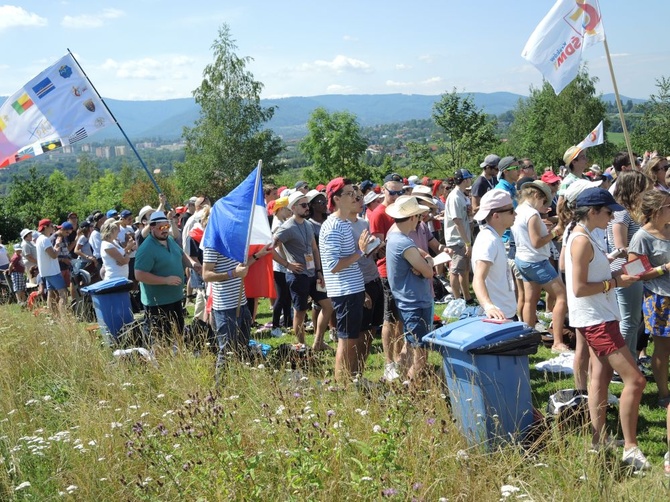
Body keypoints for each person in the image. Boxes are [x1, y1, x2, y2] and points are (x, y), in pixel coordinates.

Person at [564, 187, 649, 471]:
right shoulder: (581, 241)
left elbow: (591, 275)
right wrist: (614, 284)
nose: (612, 216)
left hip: (601, 316)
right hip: (597, 320)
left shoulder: (587, 236)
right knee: (636, 381)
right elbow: (578, 288)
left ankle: (598, 441)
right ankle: (630, 447)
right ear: (592, 212)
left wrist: (612, 266)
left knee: (599, 380)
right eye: (608, 211)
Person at [203, 235, 273, 384]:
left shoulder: (233, 241)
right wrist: (233, 274)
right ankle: (220, 389)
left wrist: (258, 255)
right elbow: (206, 275)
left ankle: (238, 383)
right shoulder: (212, 244)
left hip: (241, 304)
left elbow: (241, 266)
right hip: (224, 308)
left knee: (242, 347)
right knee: (227, 350)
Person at [511, 181, 570, 353]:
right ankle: (557, 342)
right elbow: (537, 242)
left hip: (523, 259)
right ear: (537, 196)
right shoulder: (532, 214)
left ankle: (527, 340)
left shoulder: (518, 210)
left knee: (530, 300)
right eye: (544, 201)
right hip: (537, 261)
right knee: (562, 297)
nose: (544, 205)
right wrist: (555, 232)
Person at [321, 178, 370, 381]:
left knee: (352, 338)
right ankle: (342, 385)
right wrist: (360, 251)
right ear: (337, 199)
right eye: (349, 194)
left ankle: (350, 380)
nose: (355, 197)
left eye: (355, 193)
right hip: (344, 291)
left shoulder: (342, 223)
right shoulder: (333, 226)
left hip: (352, 289)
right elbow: (333, 266)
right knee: (346, 340)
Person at [272, 192, 333, 350]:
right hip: (297, 275)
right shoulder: (286, 228)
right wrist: (287, 264)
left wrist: (319, 270)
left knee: (328, 306)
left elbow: (314, 248)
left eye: (307, 204)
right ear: (293, 208)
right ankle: (302, 345)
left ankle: (318, 342)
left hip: (312, 273)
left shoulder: (307, 224)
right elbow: (269, 248)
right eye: (304, 205)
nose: (308, 208)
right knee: (300, 311)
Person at [628, 189, 670, 414]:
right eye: (669, 207)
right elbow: (635, 273)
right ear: (655, 212)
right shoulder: (642, 237)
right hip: (660, 298)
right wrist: (664, 268)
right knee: (663, 349)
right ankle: (664, 395)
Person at [385, 196, 434, 383]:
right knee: (420, 352)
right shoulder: (405, 243)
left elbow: (421, 263)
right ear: (413, 218)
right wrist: (427, 262)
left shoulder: (396, 237)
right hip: (415, 302)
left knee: (410, 345)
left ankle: (402, 383)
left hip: (407, 301)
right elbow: (428, 272)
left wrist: (423, 262)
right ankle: (414, 389)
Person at [134, 211, 202, 343]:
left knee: (178, 334)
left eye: (167, 227)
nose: (165, 230)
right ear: (152, 227)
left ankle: (177, 358)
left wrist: (193, 264)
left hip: (175, 298)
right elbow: (139, 275)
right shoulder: (146, 248)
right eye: (161, 228)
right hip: (158, 302)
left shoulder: (169, 240)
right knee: (161, 339)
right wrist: (165, 280)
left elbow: (181, 254)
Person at [607, 172, 651, 357]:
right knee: (628, 320)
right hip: (625, 270)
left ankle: (631, 360)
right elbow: (621, 248)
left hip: (635, 268)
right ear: (634, 189)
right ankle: (620, 365)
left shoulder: (629, 213)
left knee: (633, 319)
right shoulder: (621, 214)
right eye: (643, 188)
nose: (646, 192)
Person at [369, 173, 405, 381]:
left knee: (399, 319)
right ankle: (388, 363)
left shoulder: (398, 209)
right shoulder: (379, 214)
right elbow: (378, 248)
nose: (396, 195)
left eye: (400, 192)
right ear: (383, 190)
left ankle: (399, 357)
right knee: (389, 321)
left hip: (401, 270)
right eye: (393, 192)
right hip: (386, 271)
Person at [472, 189, 517, 320]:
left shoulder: (494, 237)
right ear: (496, 215)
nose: (515, 213)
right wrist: (488, 306)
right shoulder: (488, 240)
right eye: (511, 210)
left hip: (505, 313)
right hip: (498, 317)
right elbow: (478, 279)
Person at [443, 168, 474, 303]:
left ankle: (467, 297)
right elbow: (457, 222)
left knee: (464, 269)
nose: (471, 180)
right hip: (457, 240)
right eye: (469, 178)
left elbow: (463, 218)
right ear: (465, 180)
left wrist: (469, 213)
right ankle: (457, 299)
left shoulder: (462, 195)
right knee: (455, 270)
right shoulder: (455, 197)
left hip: (463, 238)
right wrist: (467, 242)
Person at [35, 219, 68, 316]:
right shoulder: (45, 239)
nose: (52, 228)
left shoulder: (39, 239)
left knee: (51, 293)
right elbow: (53, 255)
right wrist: (57, 245)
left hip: (46, 271)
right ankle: (63, 317)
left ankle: (53, 316)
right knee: (63, 294)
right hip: (52, 271)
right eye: (51, 226)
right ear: (45, 227)